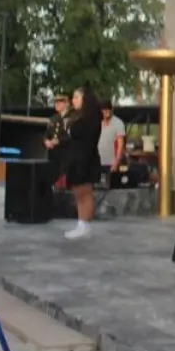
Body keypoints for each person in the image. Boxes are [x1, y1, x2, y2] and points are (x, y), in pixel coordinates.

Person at [46, 87, 103, 240]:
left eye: (77, 97)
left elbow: (86, 140)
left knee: (85, 193)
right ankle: (81, 224)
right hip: (75, 157)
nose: (74, 101)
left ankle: (85, 226)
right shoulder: (78, 117)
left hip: (85, 158)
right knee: (78, 194)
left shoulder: (90, 118)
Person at [98, 99, 126, 183]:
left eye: (108, 109)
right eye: (104, 110)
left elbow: (120, 145)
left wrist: (116, 162)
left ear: (111, 110)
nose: (106, 112)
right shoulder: (97, 123)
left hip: (111, 163)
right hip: (98, 163)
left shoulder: (118, 123)